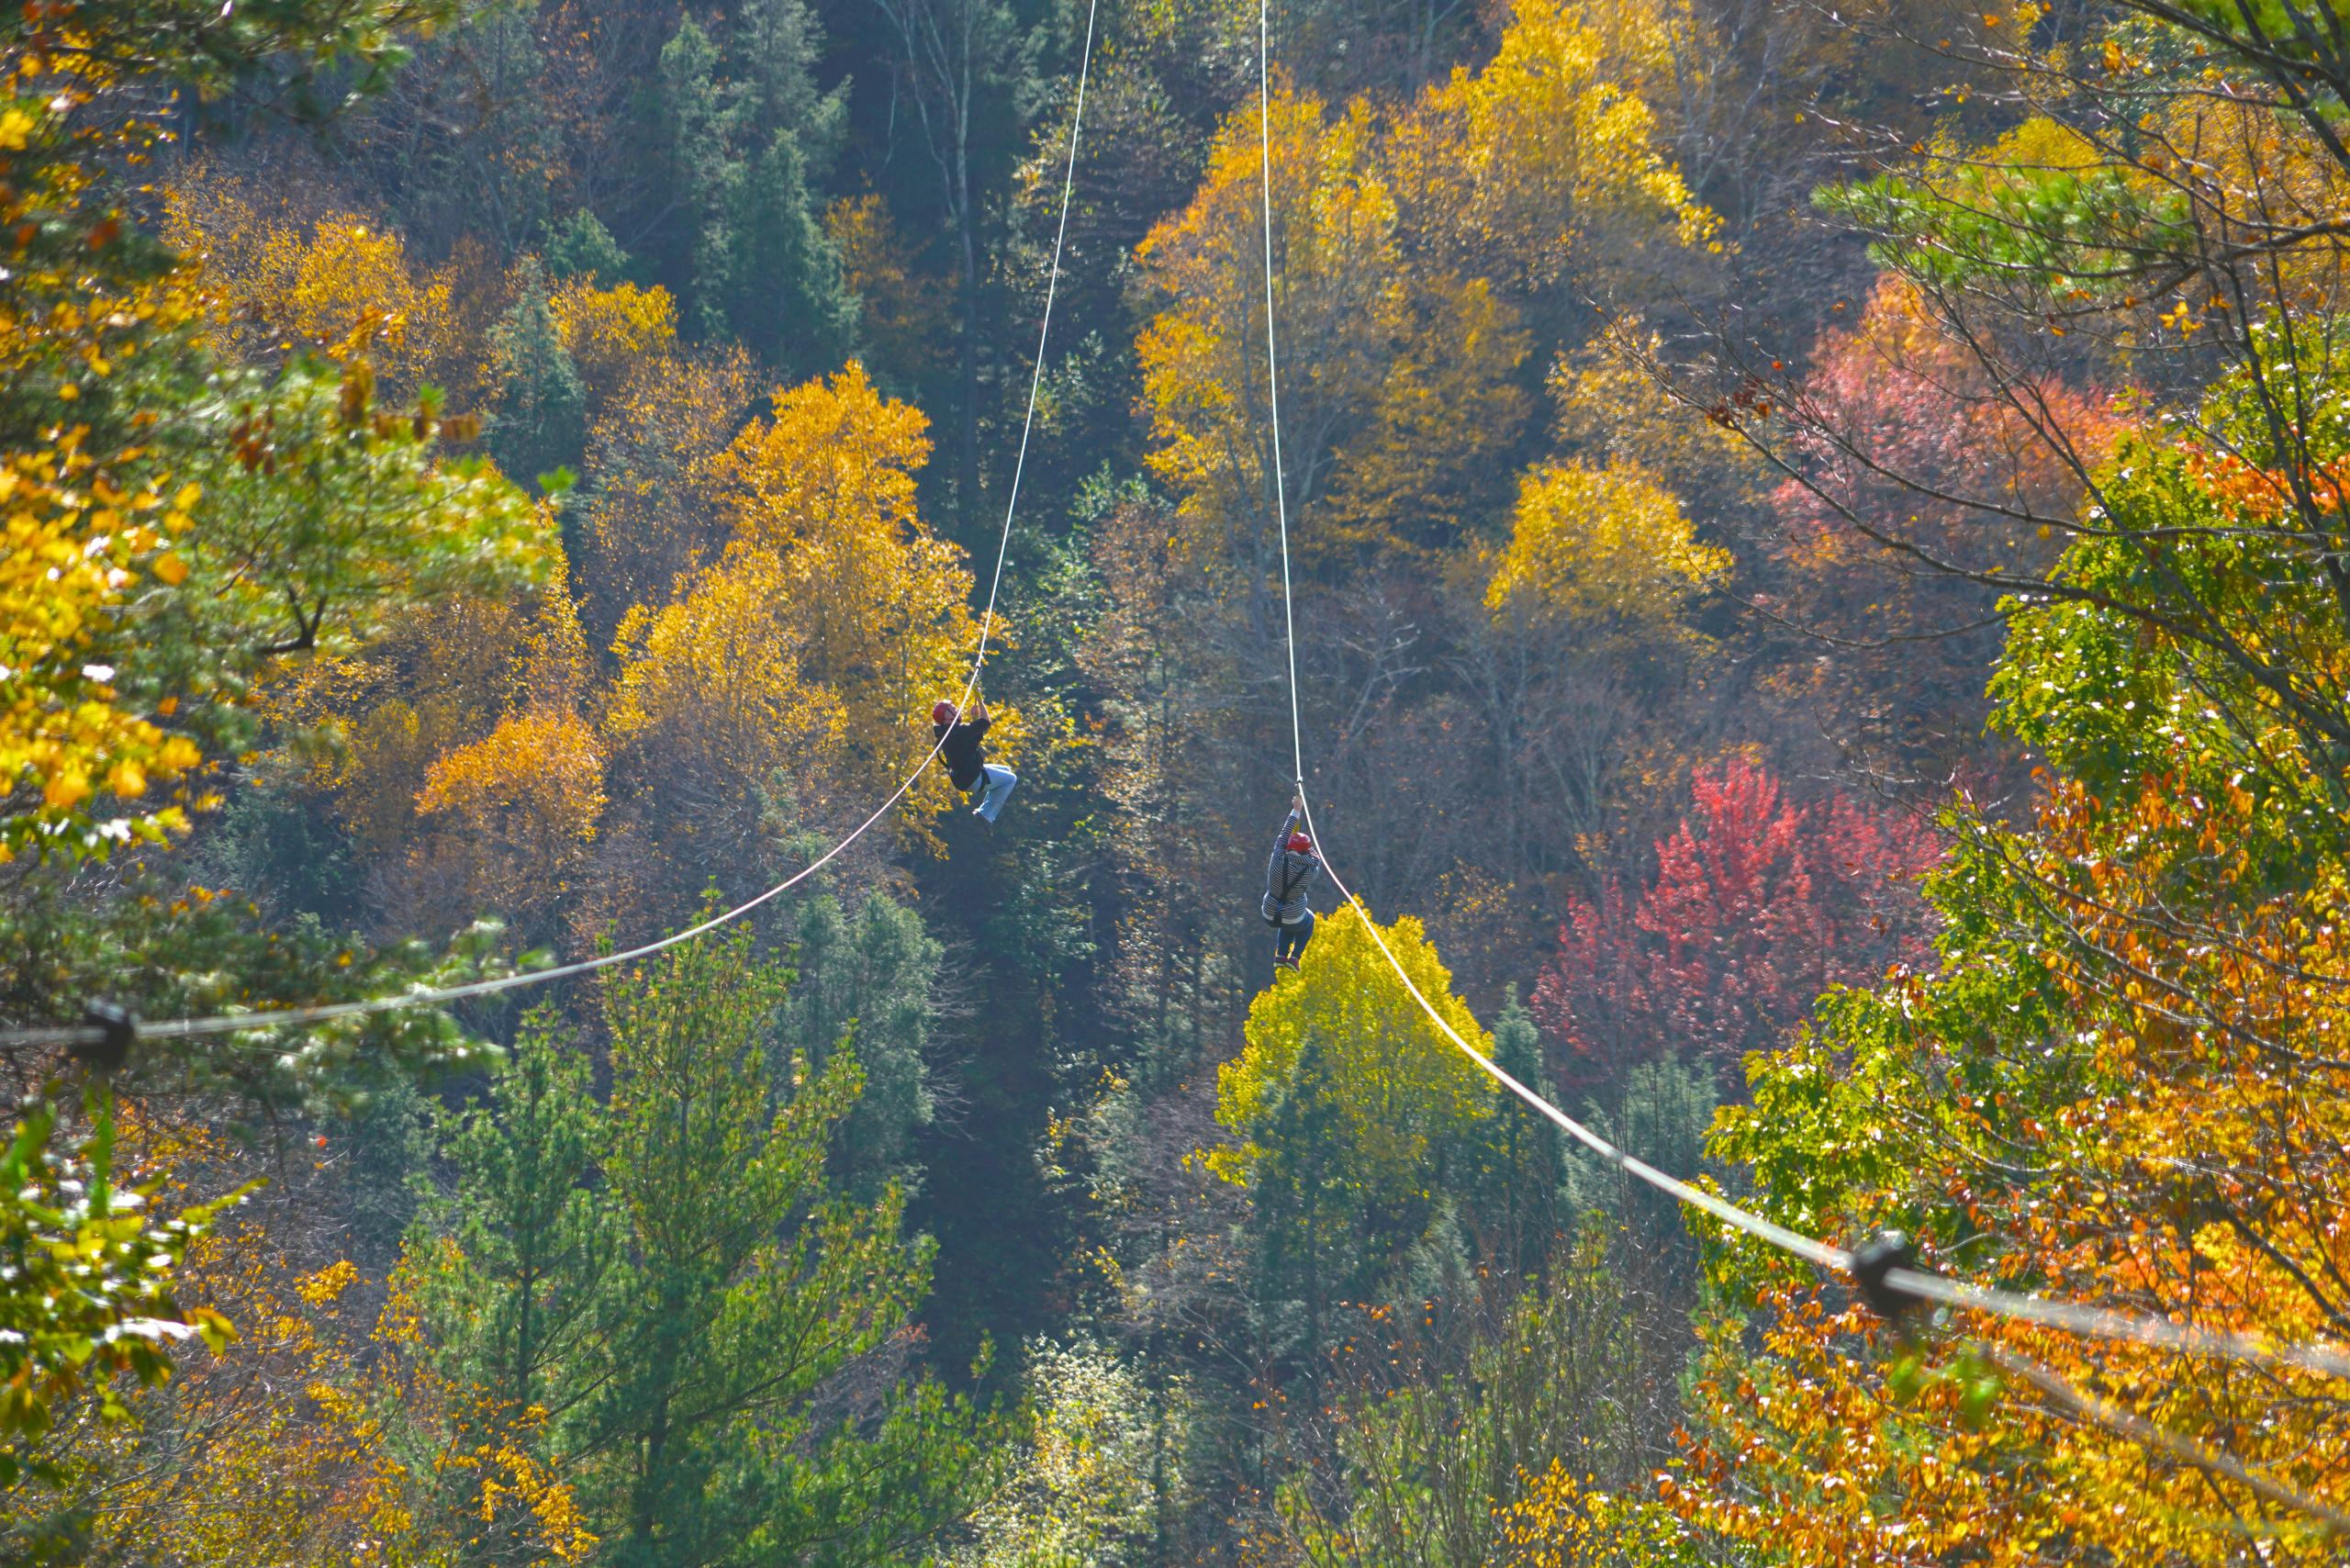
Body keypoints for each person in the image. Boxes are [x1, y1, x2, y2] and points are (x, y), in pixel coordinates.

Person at [934, 696, 1017, 826]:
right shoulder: (958, 731)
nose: (957, 709)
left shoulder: (947, 733)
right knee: (1011, 779)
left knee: (1006, 771)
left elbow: (974, 739)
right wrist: (980, 701)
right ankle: (986, 815)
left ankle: (985, 810)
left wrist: (973, 719)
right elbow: (985, 722)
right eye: (953, 709)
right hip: (972, 778)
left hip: (964, 776)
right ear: (948, 717)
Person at [1262, 793, 1322, 969]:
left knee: (1287, 921)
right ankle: (1294, 958)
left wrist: (1297, 810)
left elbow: (1284, 834)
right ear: (1306, 851)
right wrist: (1308, 848)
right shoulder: (1310, 869)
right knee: (1308, 919)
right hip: (1292, 915)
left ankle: (1280, 956)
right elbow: (1316, 858)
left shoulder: (1278, 856)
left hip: (1268, 912)